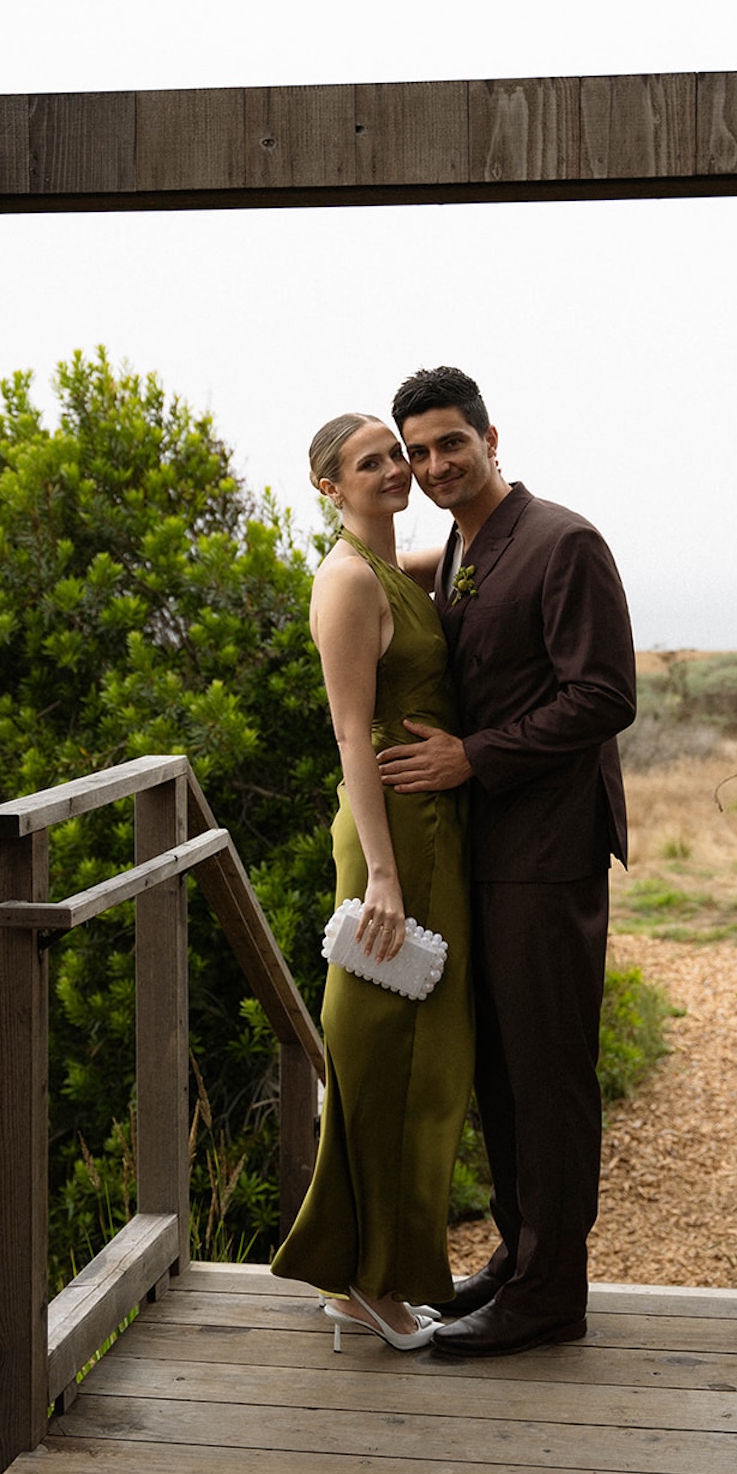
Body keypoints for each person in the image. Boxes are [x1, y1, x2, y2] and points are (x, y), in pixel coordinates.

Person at [378, 366, 636, 1357]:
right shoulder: (456, 546)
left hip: (547, 852)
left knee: (546, 1076)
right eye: (419, 452)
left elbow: (604, 695)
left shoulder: (561, 541)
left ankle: (549, 1296)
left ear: (492, 436)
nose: (436, 465)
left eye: (452, 444)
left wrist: (468, 757)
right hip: (487, 856)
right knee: (499, 1072)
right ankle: (517, 1258)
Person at [270, 412, 474, 1351]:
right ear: (328, 487)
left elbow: (474, 544)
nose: (397, 469)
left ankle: (370, 1270)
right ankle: (366, 1282)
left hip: (430, 828)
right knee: (390, 1058)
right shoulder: (350, 581)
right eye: (372, 462)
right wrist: (383, 877)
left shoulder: (396, 566)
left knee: (423, 1062)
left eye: (398, 454)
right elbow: (352, 731)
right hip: (395, 838)